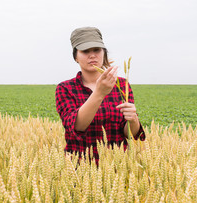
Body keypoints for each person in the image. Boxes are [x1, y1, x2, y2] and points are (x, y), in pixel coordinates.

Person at [55, 27, 145, 163]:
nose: (92, 55)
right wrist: (99, 93)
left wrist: (133, 120)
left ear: (104, 53)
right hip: (80, 171)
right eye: (85, 51)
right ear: (75, 57)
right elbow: (76, 127)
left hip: (118, 168)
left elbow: (129, 134)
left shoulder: (122, 84)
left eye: (96, 50)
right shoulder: (65, 88)